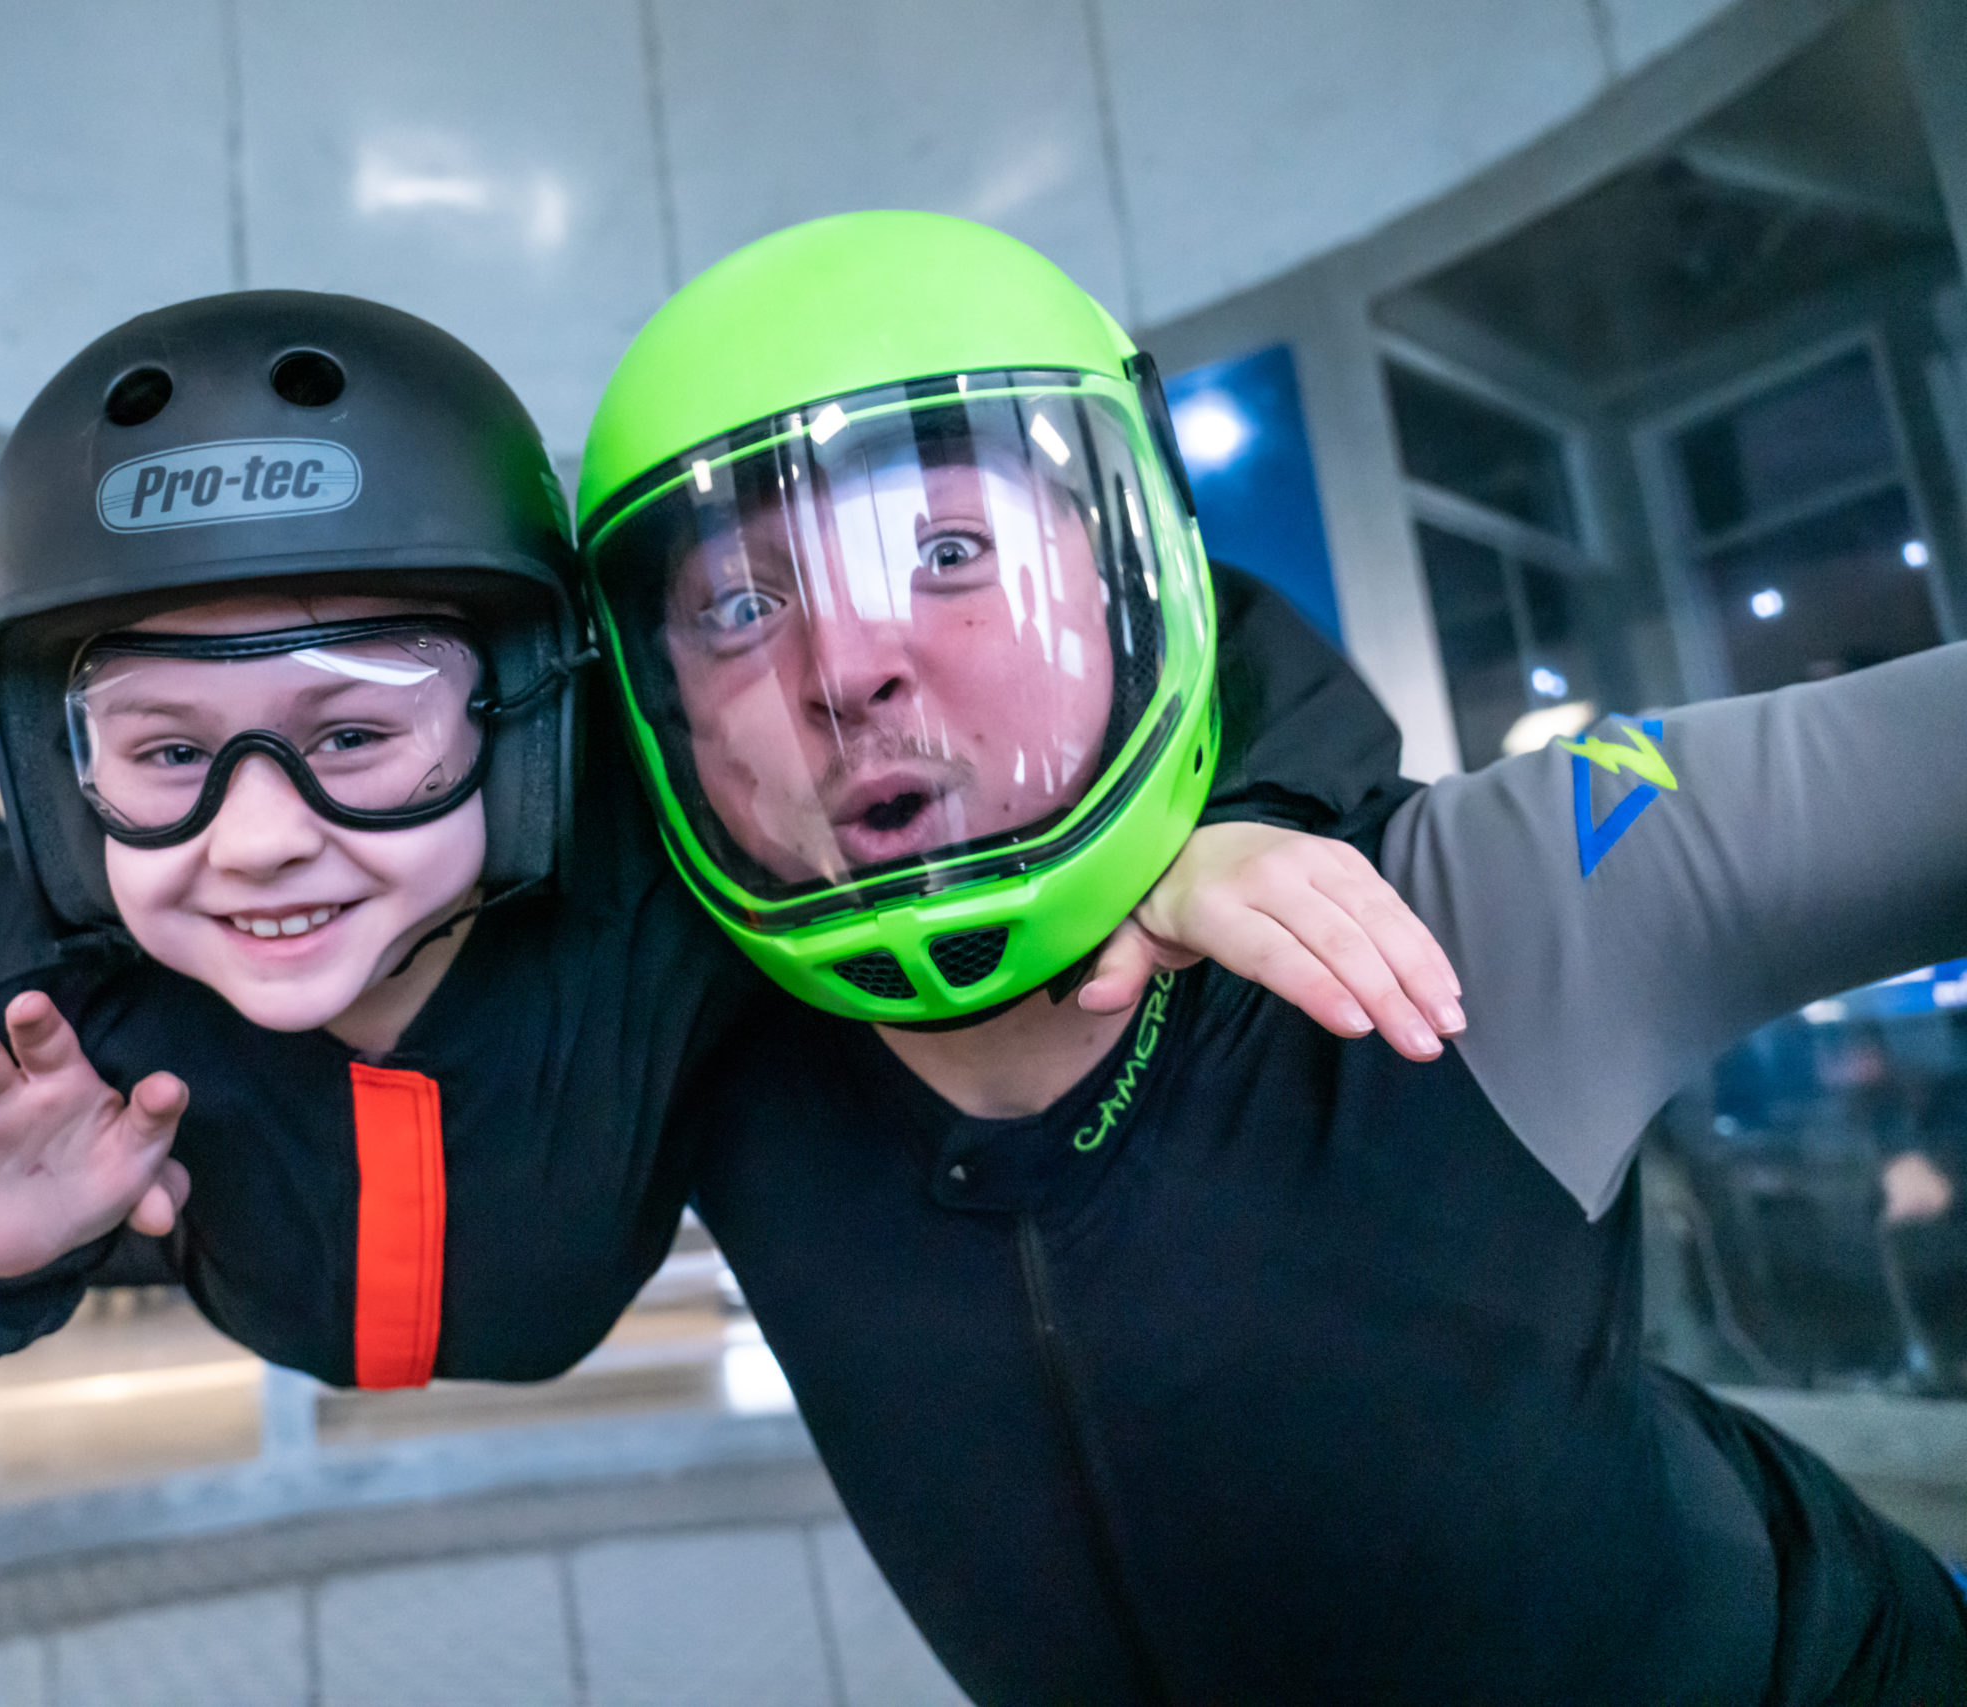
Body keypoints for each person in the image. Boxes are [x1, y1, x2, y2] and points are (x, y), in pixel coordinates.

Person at [569, 210, 1967, 1701]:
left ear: (1121, 575)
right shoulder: (707, 1060)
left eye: (951, 548)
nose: (843, 668)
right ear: (674, 715)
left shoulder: (1462, 899)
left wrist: (1259, 796)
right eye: (738, 604)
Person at [0, 290, 1451, 1390]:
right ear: (55, 776)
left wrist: (1220, 828)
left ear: (530, 706)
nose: (257, 838)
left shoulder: (664, 824)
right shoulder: (10, 956)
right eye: (164, 756)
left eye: (358, 735)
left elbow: (1171, 627)